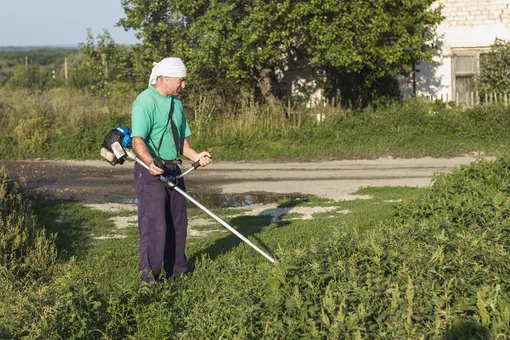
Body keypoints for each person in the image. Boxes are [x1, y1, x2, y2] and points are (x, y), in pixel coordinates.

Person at [131, 57, 212, 283]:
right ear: (165, 78)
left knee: (178, 223)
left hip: (174, 168)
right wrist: (149, 163)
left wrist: (196, 156)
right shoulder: (145, 101)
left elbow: (182, 143)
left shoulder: (176, 103)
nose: (184, 86)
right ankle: (148, 279)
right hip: (151, 169)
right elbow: (137, 140)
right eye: (181, 81)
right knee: (155, 224)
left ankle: (177, 274)